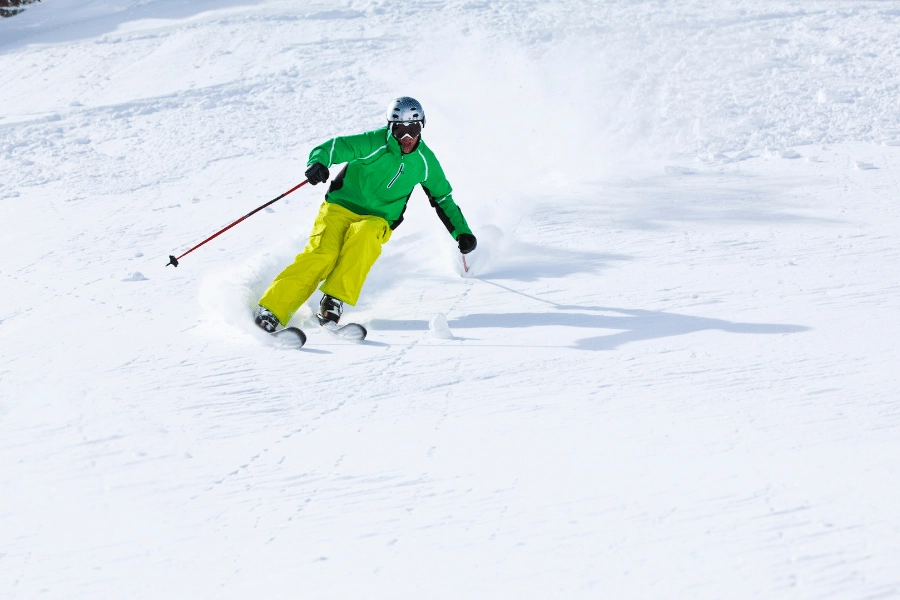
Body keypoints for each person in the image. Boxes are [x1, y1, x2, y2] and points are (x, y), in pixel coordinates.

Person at [253, 96, 477, 333]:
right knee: (323, 255)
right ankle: (271, 309)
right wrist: (318, 162)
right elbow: (334, 147)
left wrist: (462, 232)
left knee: (366, 237)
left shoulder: (425, 162)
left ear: (422, 126)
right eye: (400, 130)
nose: (407, 137)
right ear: (391, 127)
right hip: (340, 207)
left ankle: (333, 300)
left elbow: (442, 198)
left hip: (378, 219)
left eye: (413, 129)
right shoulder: (374, 142)